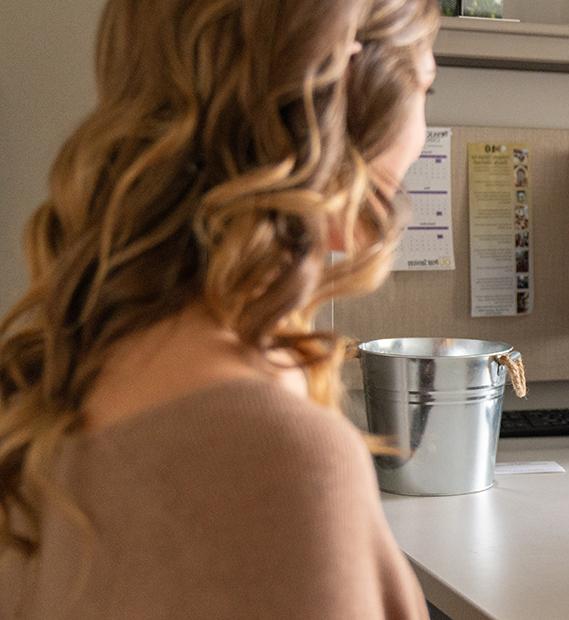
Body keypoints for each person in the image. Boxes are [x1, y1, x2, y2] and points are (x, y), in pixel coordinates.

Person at [0, 0, 439, 616]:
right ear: (345, 98)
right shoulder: (278, 463)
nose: (422, 133)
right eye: (426, 80)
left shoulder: (55, 380)